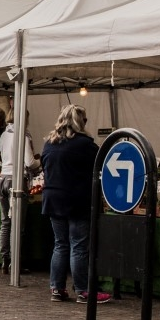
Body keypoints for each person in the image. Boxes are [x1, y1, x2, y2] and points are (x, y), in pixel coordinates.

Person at [41, 104, 109, 304]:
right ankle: (83, 290)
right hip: (77, 200)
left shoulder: (49, 143)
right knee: (78, 246)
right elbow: (100, 167)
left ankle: (57, 287)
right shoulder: (85, 144)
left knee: (60, 244)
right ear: (81, 122)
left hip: (53, 199)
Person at [0, 112, 38, 275]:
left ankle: (5, 260)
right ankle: (16, 263)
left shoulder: (4, 135)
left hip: (2, 179)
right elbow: (30, 162)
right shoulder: (23, 136)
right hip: (16, 181)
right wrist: (41, 162)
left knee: (5, 222)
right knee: (17, 225)